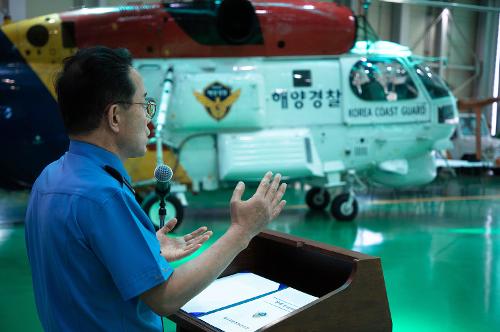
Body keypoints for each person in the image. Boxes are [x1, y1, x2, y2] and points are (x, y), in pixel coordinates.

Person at [24, 46, 287, 331]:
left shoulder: (49, 179)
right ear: (114, 116)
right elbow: (165, 297)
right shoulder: (103, 196)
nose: (149, 118)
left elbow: (83, 268)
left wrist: (145, 250)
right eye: (143, 104)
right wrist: (242, 231)